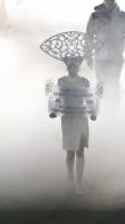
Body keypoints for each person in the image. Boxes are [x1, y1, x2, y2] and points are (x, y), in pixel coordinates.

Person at [49, 57, 96, 195]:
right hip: (68, 118)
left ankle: (79, 183)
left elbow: (90, 98)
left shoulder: (84, 82)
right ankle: (70, 179)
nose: (73, 69)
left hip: (81, 117)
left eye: (75, 66)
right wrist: (54, 111)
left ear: (78, 68)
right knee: (70, 151)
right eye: (70, 66)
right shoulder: (62, 81)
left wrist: (93, 112)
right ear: (67, 68)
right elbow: (57, 97)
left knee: (80, 150)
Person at [86, 0, 125, 100]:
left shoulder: (123, 16)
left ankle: (113, 111)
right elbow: (88, 37)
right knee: (100, 85)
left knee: (114, 85)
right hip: (100, 56)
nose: (109, 0)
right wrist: (88, 56)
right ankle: (99, 108)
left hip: (116, 57)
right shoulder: (95, 16)